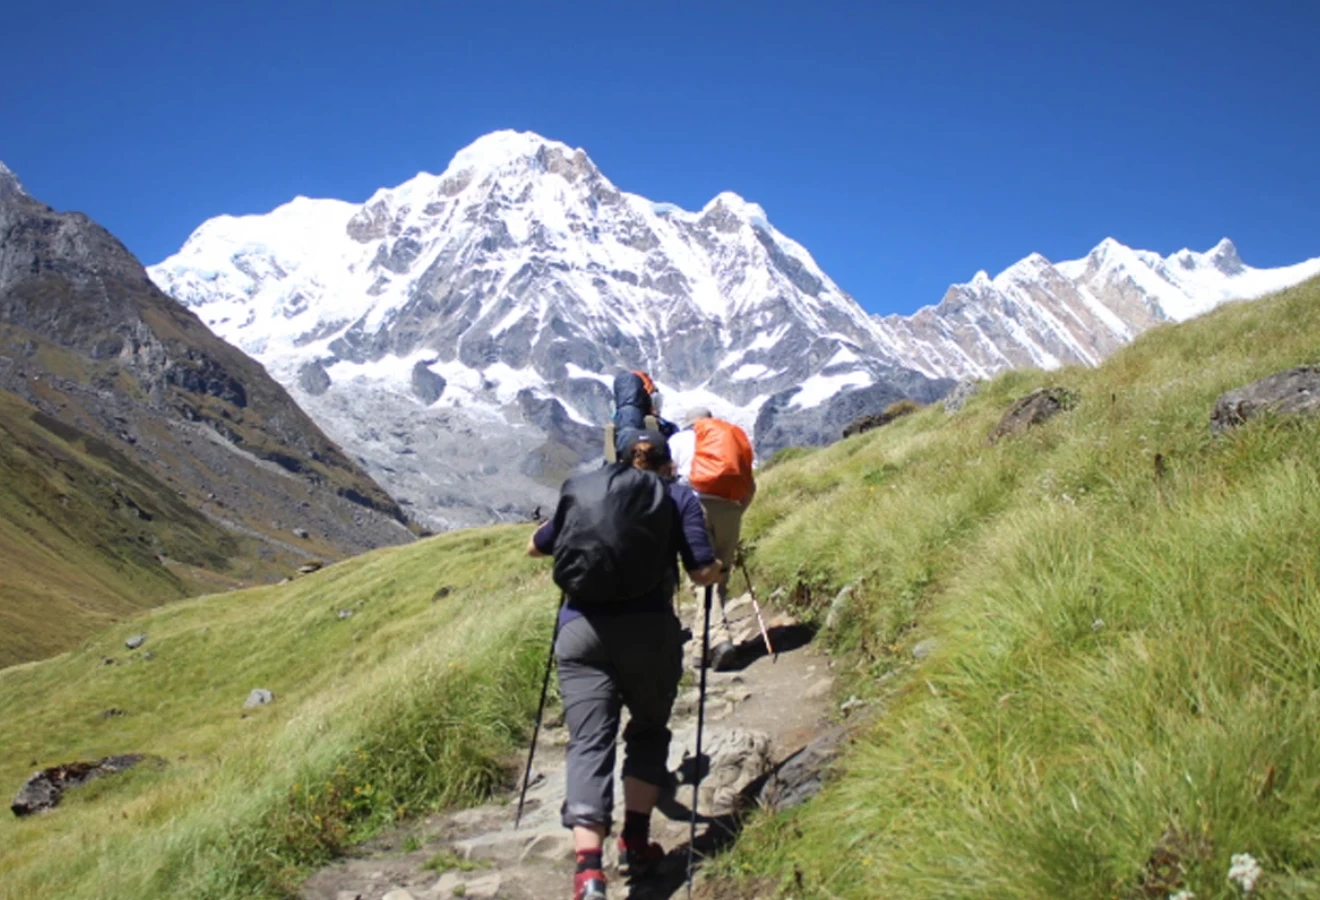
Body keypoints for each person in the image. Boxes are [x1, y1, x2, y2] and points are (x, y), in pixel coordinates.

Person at [528, 429, 721, 900]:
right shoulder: (677, 498)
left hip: (580, 629)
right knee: (648, 731)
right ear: (665, 462)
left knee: (588, 741)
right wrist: (719, 569)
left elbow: (537, 545)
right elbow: (699, 570)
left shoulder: (585, 487)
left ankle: (589, 872)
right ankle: (635, 841)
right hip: (649, 631)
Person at [667, 408, 757, 671]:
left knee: (701, 576)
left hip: (693, 509)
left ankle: (719, 637)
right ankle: (699, 648)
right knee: (720, 575)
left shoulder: (678, 441)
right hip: (730, 509)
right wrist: (737, 511)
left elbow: (666, 478)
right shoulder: (731, 440)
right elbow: (751, 486)